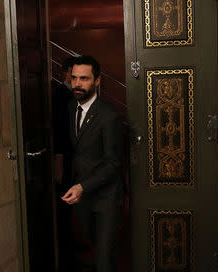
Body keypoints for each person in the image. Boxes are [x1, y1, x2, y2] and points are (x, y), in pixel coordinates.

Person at [61, 55, 124, 272]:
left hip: (106, 197)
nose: (77, 84)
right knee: (93, 249)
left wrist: (81, 187)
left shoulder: (109, 116)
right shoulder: (71, 108)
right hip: (83, 197)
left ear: (97, 81)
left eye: (84, 79)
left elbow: (113, 164)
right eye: (74, 78)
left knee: (105, 259)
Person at [52, 56, 76, 271]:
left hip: (72, 154)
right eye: (72, 72)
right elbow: (59, 127)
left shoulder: (72, 93)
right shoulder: (61, 94)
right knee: (65, 198)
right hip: (65, 155)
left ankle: (70, 244)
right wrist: (59, 158)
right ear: (65, 73)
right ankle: (64, 250)